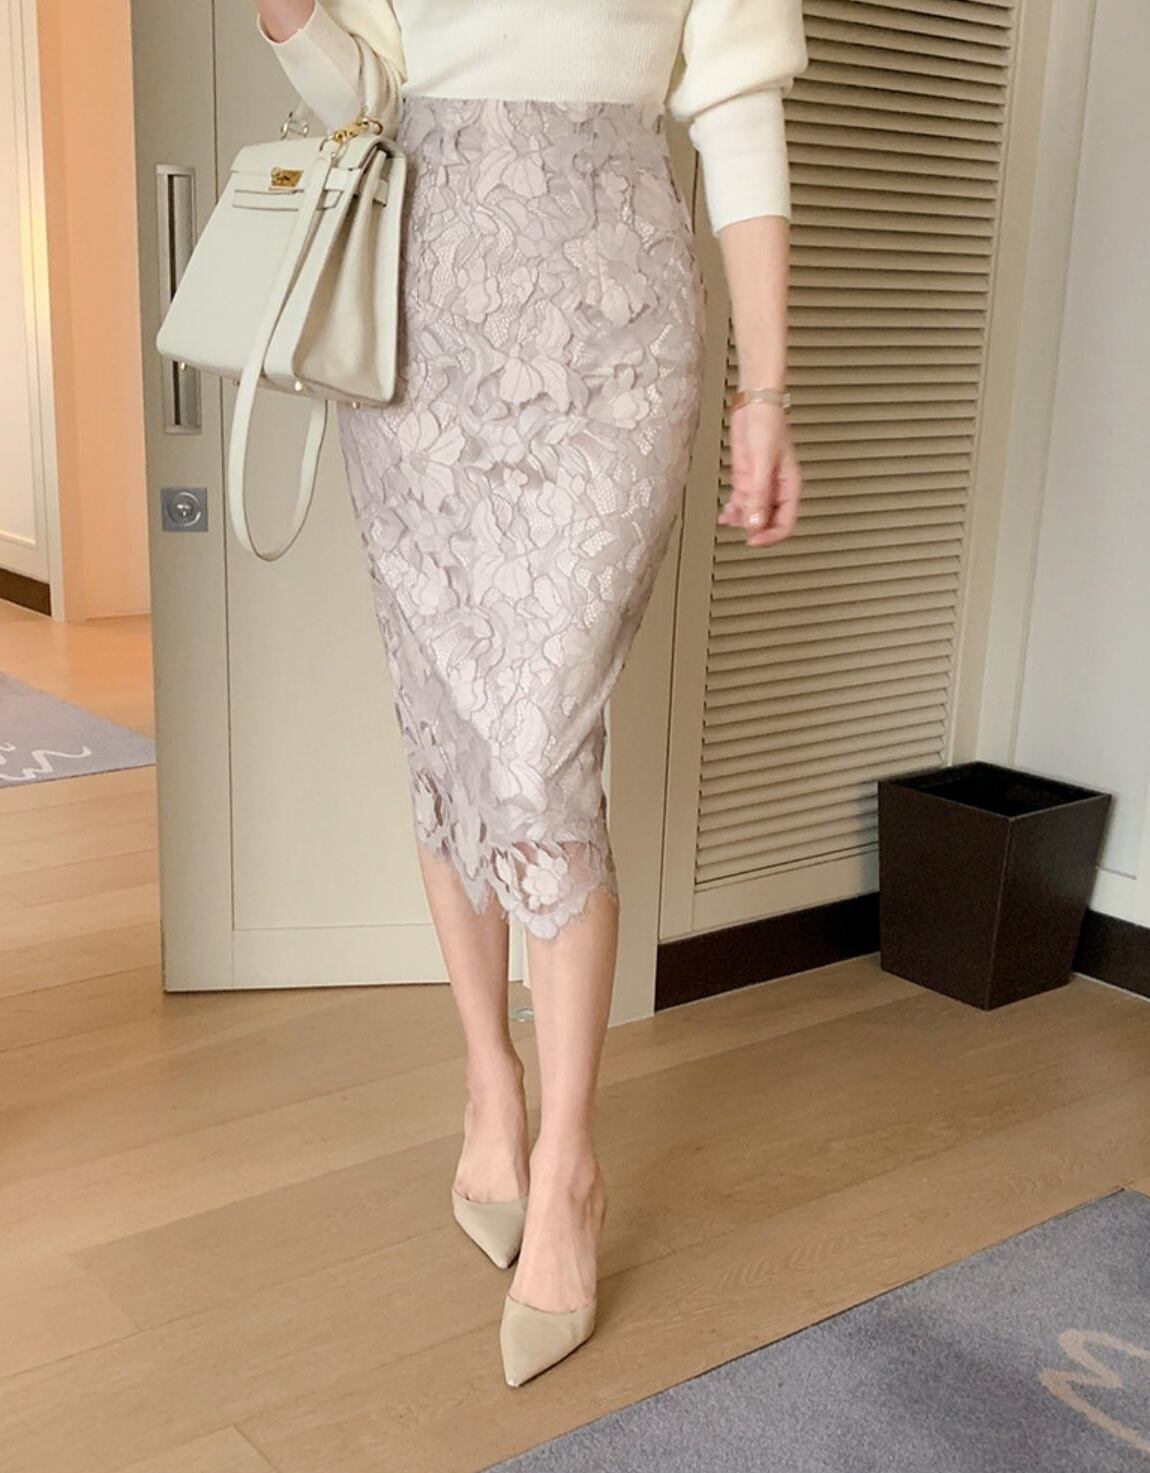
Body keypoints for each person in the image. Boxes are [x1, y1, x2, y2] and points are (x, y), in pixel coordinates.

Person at [253, 0, 806, 1387]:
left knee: (541, 741)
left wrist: (767, 390)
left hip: (615, 329)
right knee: (447, 724)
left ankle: (566, 1169)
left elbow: (737, 105)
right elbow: (357, 92)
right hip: (418, 331)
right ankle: (487, 1084)